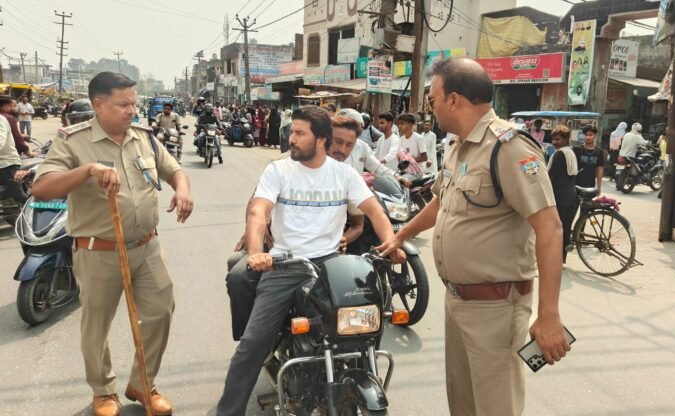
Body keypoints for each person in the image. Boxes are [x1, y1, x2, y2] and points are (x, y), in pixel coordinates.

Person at [377, 57, 570, 416]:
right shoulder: (459, 147)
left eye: (433, 98)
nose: (430, 108)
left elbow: (550, 227)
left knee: (496, 408)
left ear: (454, 99)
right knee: (463, 405)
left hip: (496, 307)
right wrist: (400, 235)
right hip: (458, 301)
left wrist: (549, 315)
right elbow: (440, 201)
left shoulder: (509, 147)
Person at [216, 105, 404, 416]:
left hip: (330, 265)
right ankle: (228, 411)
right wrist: (255, 253)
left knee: (366, 323)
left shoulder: (343, 174)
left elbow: (374, 211)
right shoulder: (279, 171)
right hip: (284, 265)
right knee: (253, 345)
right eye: (293, 131)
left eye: (300, 133)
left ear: (320, 139)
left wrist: (391, 243)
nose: (292, 138)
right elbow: (258, 212)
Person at [30, 72, 194, 416]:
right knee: (97, 324)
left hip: (146, 247)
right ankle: (103, 392)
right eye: (123, 104)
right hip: (98, 250)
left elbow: (174, 170)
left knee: (161, 312)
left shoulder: (143, 138)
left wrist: (182, 190)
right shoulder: (73, 142)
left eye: (134, 103)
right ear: (98, 104)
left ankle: (142, 383)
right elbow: (42, 188)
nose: (131, 111)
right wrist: (88, 170)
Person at [548, 126, 579, 262]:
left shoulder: (560, 154)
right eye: (553, 139)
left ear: (566, 139)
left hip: (559, 197)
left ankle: (554, 259)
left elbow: (551, 176)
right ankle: (561, 258)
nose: (555, 142)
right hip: (570, 195)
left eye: (558, 139)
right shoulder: (570, 152)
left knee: (556, 229)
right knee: (565, 228)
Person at [0, 108, 27, 207]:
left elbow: (0, 142)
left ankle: (38, 214)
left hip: (7, 163)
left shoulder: (1, 119)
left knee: (17, 195)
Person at [573, 125, 605, 193]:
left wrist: (599, 187)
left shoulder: (599, 152)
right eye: (586, 135)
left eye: (590, 135)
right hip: (576, 185)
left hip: (590, 186)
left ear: (595, 136)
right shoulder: (577, 150)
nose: (588, 137)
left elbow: (600, 170)